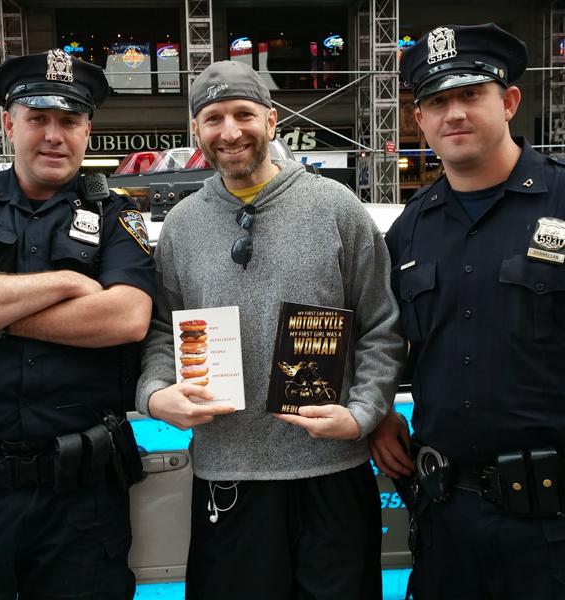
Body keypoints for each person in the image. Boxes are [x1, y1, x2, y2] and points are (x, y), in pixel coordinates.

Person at [136, 60, 405, 600]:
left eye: (243, 114)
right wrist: (155, 392)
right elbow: (164, 329)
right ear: (196, 130)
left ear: (271, 120)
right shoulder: (182, 226)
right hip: (229, 476)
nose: (230, 131)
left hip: (332, 471)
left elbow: (381, 325)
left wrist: (362, 414)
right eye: (214, 118)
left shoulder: (337, 208)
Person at [369, 23, 565, 600]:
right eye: (437, 102)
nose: (453, 114)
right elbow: (381, 335)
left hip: (553, 529)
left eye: (470, 95)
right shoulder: (411, 228)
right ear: (420, 119)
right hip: (447, 518)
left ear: (509, 102)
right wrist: (377, 410)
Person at [0, 49, 155, 599]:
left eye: (69, 121)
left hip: (83, 503)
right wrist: (69, 283)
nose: (54, 135)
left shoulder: (119, 215)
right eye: (38, 119)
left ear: (87, 131)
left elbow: (127, 316)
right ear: (9, 125)